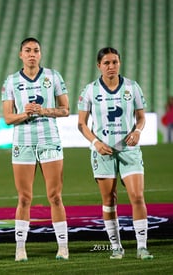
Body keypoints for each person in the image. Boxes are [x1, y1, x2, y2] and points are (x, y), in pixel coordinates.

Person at [77, 47, 153, 260]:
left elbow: (141, 117)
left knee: (137, 196)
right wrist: (95, 143)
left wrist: (138, 130)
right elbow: (81, 124)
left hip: (129, 149)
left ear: (120, 63)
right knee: (109, 200)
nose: (111, 66)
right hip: (104, 152)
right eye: (106, 63)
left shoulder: (132, 87)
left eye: (115, 62)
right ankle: (116, 247)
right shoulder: (90, 90)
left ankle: (142, 247)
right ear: (98, 66)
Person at [1, 37, 69, 261]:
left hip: (49, 140)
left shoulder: (53, 76)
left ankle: (63, 247)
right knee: (24, 198)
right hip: (23, 143)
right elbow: (8, 118)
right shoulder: (11, 81)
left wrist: (43, 110)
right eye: (27, 50)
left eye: (36, 50)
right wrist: (26, 113)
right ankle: (20, 248)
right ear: (20, 54)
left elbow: (65, 109)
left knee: (55, 196)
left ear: (41, 54)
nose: (32, 54)